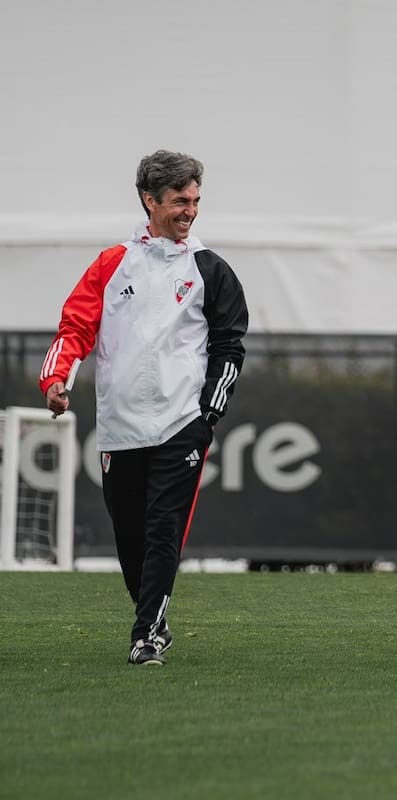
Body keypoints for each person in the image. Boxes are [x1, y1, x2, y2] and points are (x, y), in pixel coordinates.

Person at [40, 150, 248, 666]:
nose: (190, 210)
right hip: (120, 427)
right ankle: (153, 615)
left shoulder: (210, 269)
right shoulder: (112, 264)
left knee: (163, 530)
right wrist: (57, 378)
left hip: (182, 424)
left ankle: (147, 635)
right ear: (149, 200)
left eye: (196, 200)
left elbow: (230, 346)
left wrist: (209, 413)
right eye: (180, 200)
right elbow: (76, 327)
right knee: (130, 538)